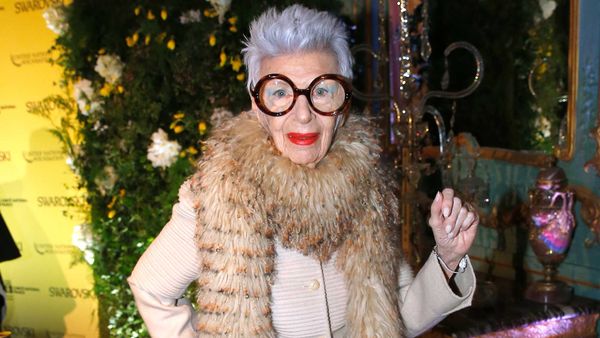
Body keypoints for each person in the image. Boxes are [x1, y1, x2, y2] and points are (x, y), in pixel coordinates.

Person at [128, 4, 479, 337]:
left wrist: (448, 258)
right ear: (257, 105)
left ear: (342, 103)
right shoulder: (218, 192)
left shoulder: (368, 188)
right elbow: (151, 288)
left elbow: (393, 317)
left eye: (322, 91)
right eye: (280, 92)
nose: (303, 114)